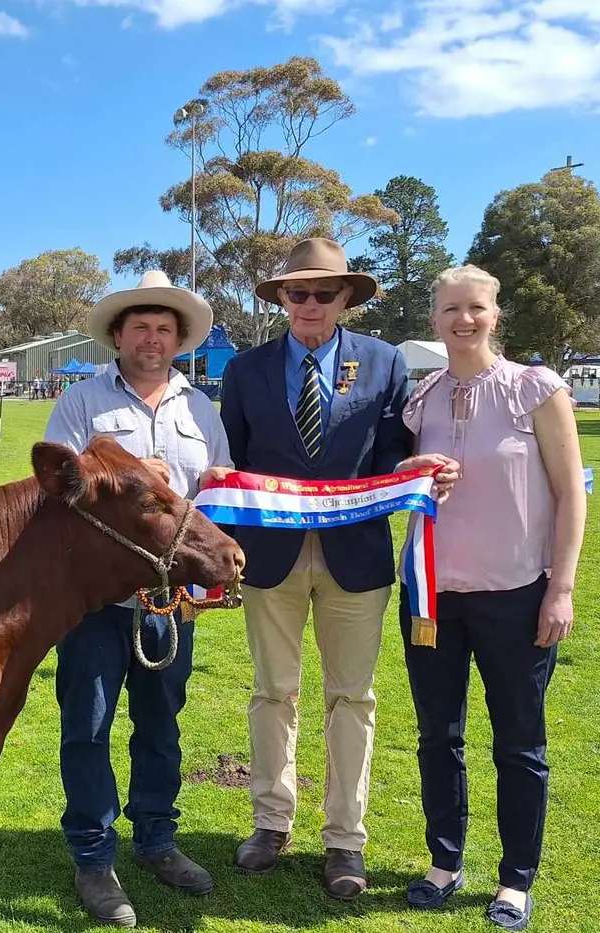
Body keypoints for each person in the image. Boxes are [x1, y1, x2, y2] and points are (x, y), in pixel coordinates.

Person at [218, 238, 458, 900]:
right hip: (270, 553)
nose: (311, 304)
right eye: (298, 293)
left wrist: (408, 468)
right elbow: (230, 459)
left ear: (346, 297)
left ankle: (345, 838)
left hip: (357, 556)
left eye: (325, 292)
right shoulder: (245, 369)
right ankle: (270, 822)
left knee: (352, 696)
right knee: (274, 691)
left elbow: (390, 447)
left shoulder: (382, 364)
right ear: (281, 300)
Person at [43, 270, 234, 928]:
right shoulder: (81, 404)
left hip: (167, 603)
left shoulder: (200, 409)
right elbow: (56, 493)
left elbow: (215, 498)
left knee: (161, 728)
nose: (151, 339)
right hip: (96, 601)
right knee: (87, 729)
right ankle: (94, 858)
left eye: (163, 329)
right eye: (140, 327)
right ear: (118, 335)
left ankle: (156, 842)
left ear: (178, 340)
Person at [397, 265, 586, 931]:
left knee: (518, 743)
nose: (463, 319)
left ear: (495, 314)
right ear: (435, 319)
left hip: (517, 596)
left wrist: (559, 589)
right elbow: (405, 479)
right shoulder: (420, 398)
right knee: (437, 736)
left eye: (475, 307)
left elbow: (571, 495)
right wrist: (408, 474)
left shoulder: (536, 389)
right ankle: (444, 862)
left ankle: (514, 879)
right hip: (431, 598)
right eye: (451, 309)